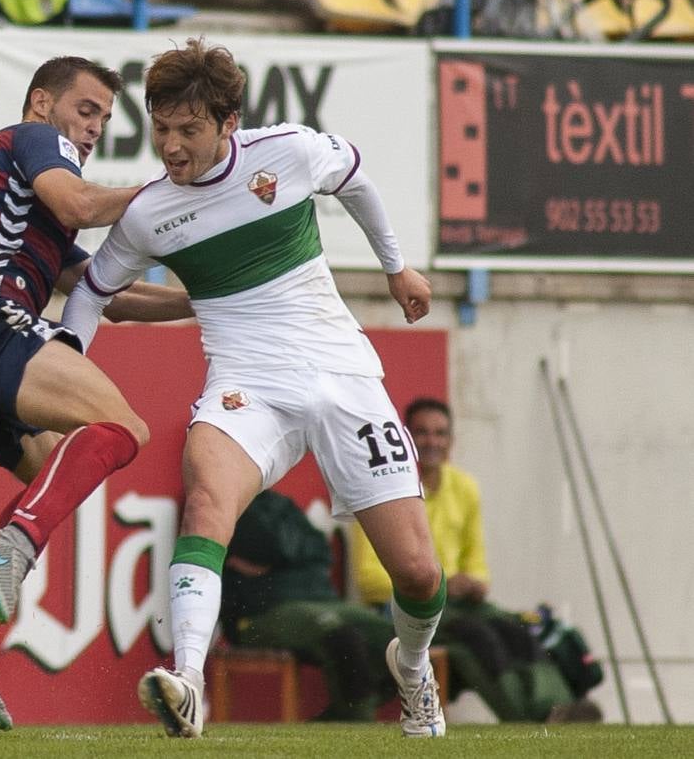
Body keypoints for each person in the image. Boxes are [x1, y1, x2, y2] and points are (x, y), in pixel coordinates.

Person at [61, 37, 445, 739]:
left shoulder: (288, 152)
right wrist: (64, 365)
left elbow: (354, 176)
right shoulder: (150, 212)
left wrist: (396, 268)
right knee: (206, 499)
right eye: (161, 128)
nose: (171, 147)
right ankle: (187, 677)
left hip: (341, 375)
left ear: (227, 123)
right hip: (246, 383)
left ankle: (413, 667)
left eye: (188, 130)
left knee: (417, 574)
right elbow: (90, 294)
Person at [0, 56, 192, 731]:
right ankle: (9, 553)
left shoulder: (29, 203)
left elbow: (108, 296)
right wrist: (169, 181)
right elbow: (79, 202)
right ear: (42, 102)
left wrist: (203, 301)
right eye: (85, 109)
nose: (93, 128)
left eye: (102, 117)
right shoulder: (36, 141)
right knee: (124, 429)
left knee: (50, 474)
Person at [351, 397, 602, 723]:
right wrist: (438, 583)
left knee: (514, 628)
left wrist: (474, 585)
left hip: (458, 603)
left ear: (451, 441)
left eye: (440, 434)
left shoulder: (465, 487)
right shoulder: (381, 489)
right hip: (405, 608)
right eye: (422, 433)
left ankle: (559, 707)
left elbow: (478, 567)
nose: (432, 442)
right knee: (476, 635)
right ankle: (528, 718)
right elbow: (368, 580)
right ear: (404, 439)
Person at [222, 490, 401, 721]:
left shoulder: (279, 503)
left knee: (392, 637)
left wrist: (278, 559)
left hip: (317, 601)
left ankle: (340, 719)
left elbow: (319, 550)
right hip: (257, 614)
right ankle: (356, 724)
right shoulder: (224, 501)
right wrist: (287, 555)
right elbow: (269, 545)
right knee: (341, 636)